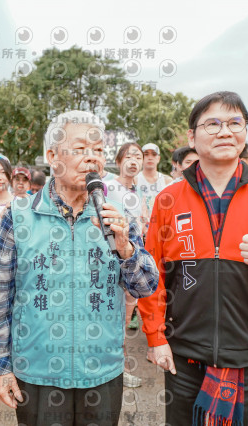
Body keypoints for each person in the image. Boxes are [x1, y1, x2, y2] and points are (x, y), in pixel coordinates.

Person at [138, 91, 248, 426]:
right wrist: (156, 337)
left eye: (235, 123)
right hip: (183, 352)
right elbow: (152, 276)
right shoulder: (168, 199)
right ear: (192, 137)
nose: (225, 132)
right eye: (213, 124)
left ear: (245, 132)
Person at [0, 110, 158, 426]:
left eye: (98, 150)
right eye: (80, 149)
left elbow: (145, 286)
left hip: (102, 372)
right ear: (52, 156)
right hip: (36, 372)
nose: (92, 158)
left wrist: (126, 249)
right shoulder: (19, 215)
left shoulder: (116, 215)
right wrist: (2, 366)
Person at [105, 142, 148, 388]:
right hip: (110, 259)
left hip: (132, 260)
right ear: (119, 161)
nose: (134, 161)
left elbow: (142, 223)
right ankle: (114, 369)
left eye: (138, 157)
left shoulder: (139, 192)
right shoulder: (107, 187)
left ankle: (119, 369)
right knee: (111, 316)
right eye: (129, 156)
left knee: (124, 319)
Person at [136, 143, 173, 218]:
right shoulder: (135, 180)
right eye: (146, 154)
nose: (150, 158)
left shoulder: (167, 181)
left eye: (154, 154)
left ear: (158, 158)